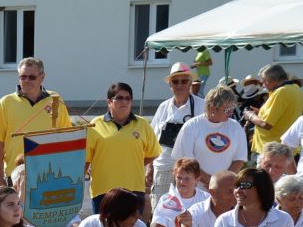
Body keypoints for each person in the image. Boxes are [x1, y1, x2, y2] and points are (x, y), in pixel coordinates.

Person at [0, 57, 72, 188]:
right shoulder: (5, 103)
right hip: (16, 175)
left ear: (42, 77)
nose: (27, 81)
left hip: (49, 175)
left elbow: (66, 138)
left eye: (32, 77)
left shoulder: (55, 100)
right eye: (23, 77)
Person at [86, 82, 161, 213]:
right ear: (109, 102)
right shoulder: (95, 125)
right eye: (119, 98)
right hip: (103, 191)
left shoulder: (142, 124)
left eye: (128, 98)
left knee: (132, 226)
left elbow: (154, 153)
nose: (124, 102)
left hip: (134, 191)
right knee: (103, 226)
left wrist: (134, 163)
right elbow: (85, 159)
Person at [148, 62, 204, 207]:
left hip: (190, 168)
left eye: (184, 81)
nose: (180, 85)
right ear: (170, 85)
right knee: (161, 208)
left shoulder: (201, 106)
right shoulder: (163, 107)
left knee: (189, 209)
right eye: (175, 81)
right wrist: (150, 168)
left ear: (190, 83)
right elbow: (152, 140)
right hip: (164, 166)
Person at [171, 86, 248, 188]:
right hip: (196, 189)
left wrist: (223, 182)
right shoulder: (191, 126)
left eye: (232, 108)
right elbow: (186, 162)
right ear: (212, 108)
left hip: (224, 188)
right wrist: (211, 182)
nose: (231, 113)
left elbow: (239, 160)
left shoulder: (236, 127)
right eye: (226, 110)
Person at [244, 63, 303, 155]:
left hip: (273, 150)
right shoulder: (295, 89)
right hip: (285, 148)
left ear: (272, 80)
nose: (262, 84)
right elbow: (284, 115)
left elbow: (266, 124)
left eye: (264, 81)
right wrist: (259, 113)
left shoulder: (281, 92)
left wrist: (250, 115)